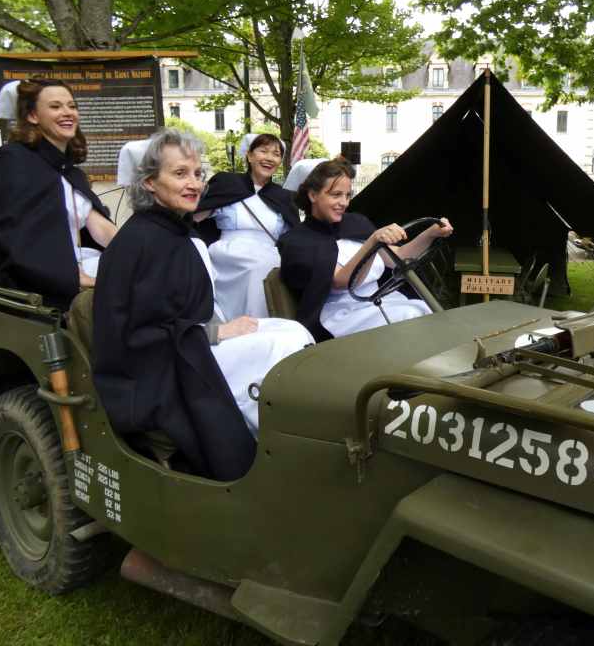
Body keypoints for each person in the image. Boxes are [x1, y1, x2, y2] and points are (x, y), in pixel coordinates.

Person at [93, 129, 313, 481]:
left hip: (192, 344)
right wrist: (217, 331)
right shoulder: (138, 243)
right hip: (160, 371)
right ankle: (274, 457)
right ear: (150, 182)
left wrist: (216, 329)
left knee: (294, 330)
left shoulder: (175, 232)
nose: (194, 183)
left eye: (197, 174)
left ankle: (296, 436)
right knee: (277, 345)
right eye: (179, 174)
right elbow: (138, 336)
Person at [0, 77, 117, 310]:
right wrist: (72, 276)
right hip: (37, 285)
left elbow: (103, 230)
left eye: (72, 106)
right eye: (55, 107)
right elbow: (3, 237)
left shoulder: (70, 172)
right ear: (32, 116)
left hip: (79, 267)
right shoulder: (12, 160)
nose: (68, 113)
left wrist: (145, 253)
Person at [279, 158, 453, 341]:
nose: (344, 203)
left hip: (379, 301)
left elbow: (399, 256)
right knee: (409, 316)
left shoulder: (355, 223)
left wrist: (431, 233)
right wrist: (372, 242)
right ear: (313, 195)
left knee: (425, 310)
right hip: (340, 315)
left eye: (347, 195)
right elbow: (342, 281)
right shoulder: (298, 242)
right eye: (336, 194)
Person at [194, 133, 299, 319]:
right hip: (230, 253)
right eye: (263, 151)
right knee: (257, 266)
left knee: (275, 267)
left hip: (268, 251)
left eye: (276, 154)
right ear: (250, 156)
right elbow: (196, 216)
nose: (269, 158)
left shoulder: (283, 196)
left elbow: (292, 236)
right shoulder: (227, 183)